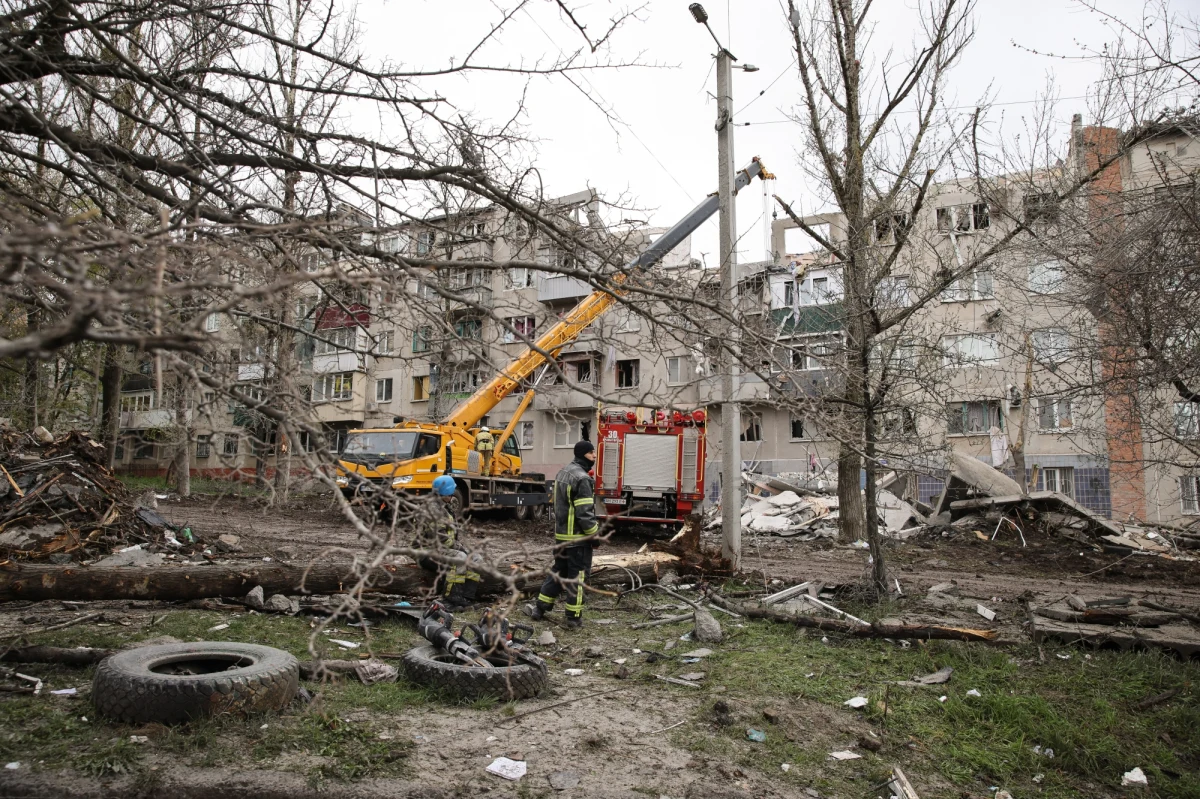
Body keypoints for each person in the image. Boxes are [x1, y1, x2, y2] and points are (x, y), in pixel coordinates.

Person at [527, 440, 600, 629]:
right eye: (592, 453)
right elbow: (585, 512)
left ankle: (540, 608)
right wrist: (594, 535)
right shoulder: (582, 478)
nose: (594, 456)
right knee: (578, 577)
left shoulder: (563, 473)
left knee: (558, 573)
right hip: (578, 539)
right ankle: (573, 618)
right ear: (584, 454)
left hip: (561, 539)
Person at [415, 475, 480, 608]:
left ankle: (466, 597)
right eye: (450, 492)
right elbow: (440, 538)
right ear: (444, 493)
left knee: (476, 558)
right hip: (425, 551)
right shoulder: (432, 509)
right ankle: (451, 598)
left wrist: (461, 548)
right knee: (460, 557)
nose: (452, 495)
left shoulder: (445, 506)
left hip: (441, 548)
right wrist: (460, 548)